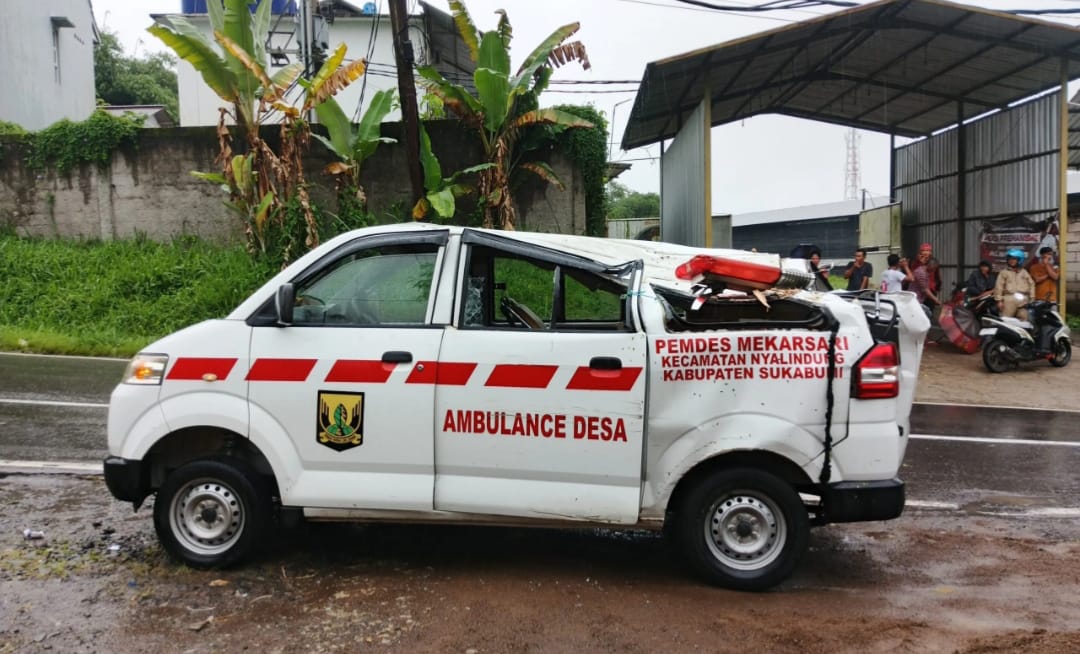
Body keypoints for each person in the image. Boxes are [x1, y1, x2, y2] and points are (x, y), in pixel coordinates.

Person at [993, 248, 1035, 320]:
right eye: (1009, 259)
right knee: (1006, 320)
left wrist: (1032, 298)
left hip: (1023, 299)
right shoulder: (1004, 272)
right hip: (1009, 298)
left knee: (1024, 320)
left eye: (1014, 259)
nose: (1011, 261)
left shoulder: (1024, 272)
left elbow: (1031, 284)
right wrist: (999, 301)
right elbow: (998, 287)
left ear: (1019, 260)